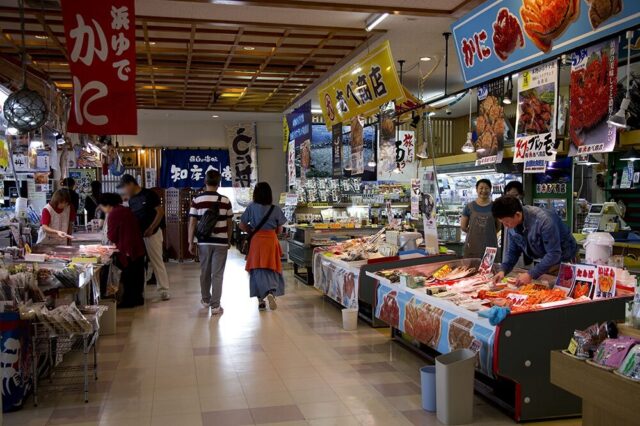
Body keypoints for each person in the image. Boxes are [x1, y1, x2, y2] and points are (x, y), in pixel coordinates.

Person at [492, 196, 578, 285]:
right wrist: (503, 270)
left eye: (506, 222)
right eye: (502, 222)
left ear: (517, 215)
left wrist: (530, 274)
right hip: (547, 261)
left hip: (565, 260)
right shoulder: (512, 224)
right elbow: (513, 252)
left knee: (561, 294)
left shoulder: (544, 221)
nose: (505, 226)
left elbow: (554, 254)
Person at [187, 170, 233, 315]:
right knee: (217, 274)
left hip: (203, 242)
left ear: (205, 182)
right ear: (219, 183)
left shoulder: (197, 200)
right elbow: (230, 222)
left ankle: (206, 300)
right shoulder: (225, 200)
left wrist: (190, 242)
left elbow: (193, 222)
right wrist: (229, 239)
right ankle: (215, 306)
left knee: (205, 271)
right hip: (221, 242)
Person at [118, 174, 170, 301]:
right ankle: (140, 291)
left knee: (156, 261)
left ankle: (164, 290)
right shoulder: (131, 200)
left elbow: (160, 212)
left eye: (125, 187)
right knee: (140, 263)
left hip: (153, 233)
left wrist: (152, 228)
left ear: (131, 184)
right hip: (138, 236)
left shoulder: (149, 194)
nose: (124, 191)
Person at [240, 182, 287, 311]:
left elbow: (242, 225)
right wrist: (273, 232)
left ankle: (261, 301)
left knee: (256, 269)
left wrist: (251, 231)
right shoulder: (275, 209)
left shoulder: (251, 207)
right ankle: (271, 292)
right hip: (271, 241)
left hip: (256, 241)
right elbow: (280, 229)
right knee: (272, 267)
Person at [100, 193, 146, 308]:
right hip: (137, 246)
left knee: (128, 276)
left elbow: (111, 236)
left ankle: (128, 301)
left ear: (107, 204)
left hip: (127, 249)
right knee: (137, 275)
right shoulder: (124, 209)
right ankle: (138, 298)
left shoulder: (114, 213)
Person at [460, 179, 499, 258]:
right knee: (471, 269)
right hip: (472, 245)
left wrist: (487, 233)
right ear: (476, 189)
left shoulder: (496, 206)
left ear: (490, 189)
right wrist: (474, 233)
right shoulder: (469, 207)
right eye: (481, 188)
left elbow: (498, 226)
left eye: (486, 188)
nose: (484, 190)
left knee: (489, 269)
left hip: (490, 246)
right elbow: (463, 227)